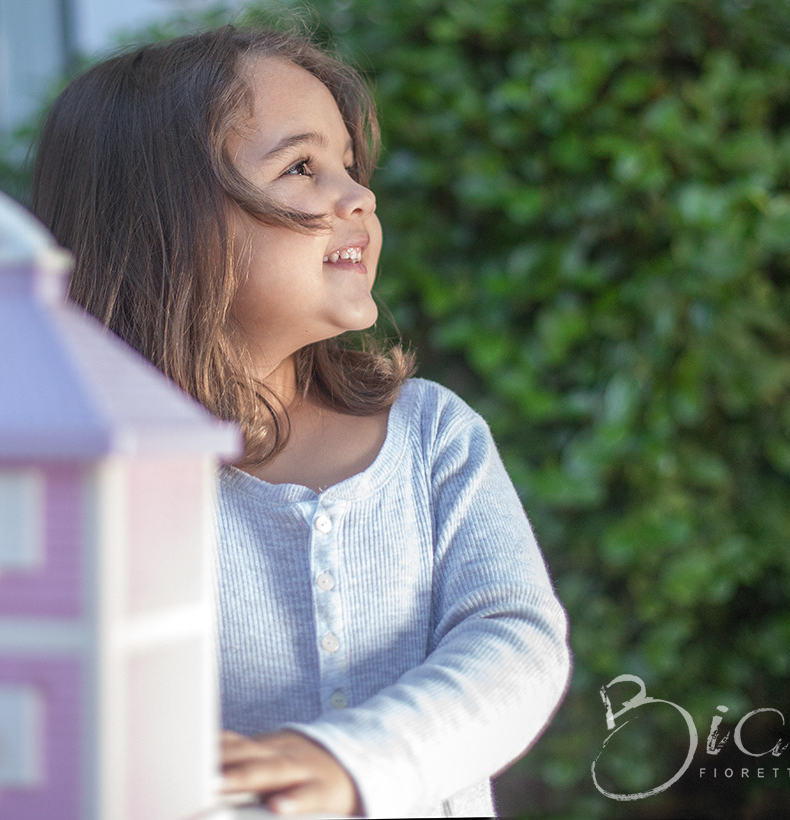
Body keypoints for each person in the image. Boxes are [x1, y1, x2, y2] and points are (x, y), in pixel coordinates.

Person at [30, 25, 571, 818]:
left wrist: (345, 762)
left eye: (350, 166)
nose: (359, 196)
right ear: (164, 223)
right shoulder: (82, 485)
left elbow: (517, 643)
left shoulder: (431, 438)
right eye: (302, 168)